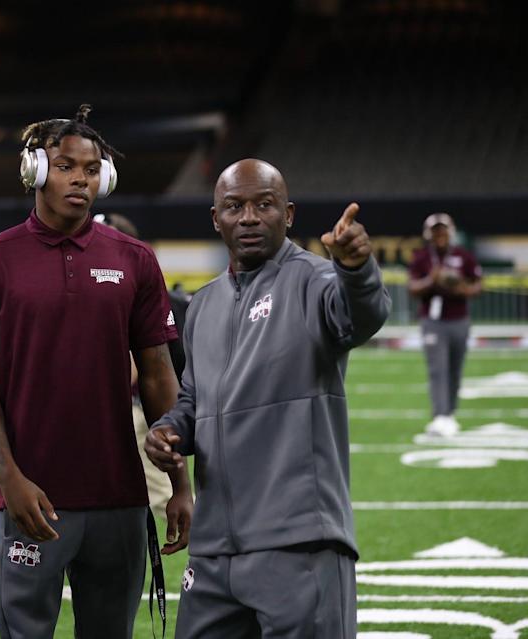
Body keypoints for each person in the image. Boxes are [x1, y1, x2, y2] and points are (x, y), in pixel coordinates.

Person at [0, 105, 193, 639]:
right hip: (29, 496)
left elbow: (158, 376)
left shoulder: (135, 259)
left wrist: (181, 483)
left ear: (104, 178)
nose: (80, 178)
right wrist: (9, 479)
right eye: (65, 166)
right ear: (35, 171)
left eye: (91, 168)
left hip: (120, 496)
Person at [146, 159, 391, 639]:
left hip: (299, 542)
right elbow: (196, 397)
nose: (250, 217)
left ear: (289, 214)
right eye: (234, 207)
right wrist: (170, 428)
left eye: (265, 204)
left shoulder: (316, 281)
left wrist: (356, 269)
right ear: (216, 218)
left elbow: (360, 317)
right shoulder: (203, 305)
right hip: (215, 550)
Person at [94, 211, 174, 519]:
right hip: (112, 409)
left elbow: (144, 365)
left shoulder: (135, 280)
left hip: (131, 406)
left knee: (159, 498)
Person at [408, 213, 482, 437]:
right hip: (433, 321)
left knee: (455, 368)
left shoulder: (463, 256)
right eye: (435, 231)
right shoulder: (421, 258)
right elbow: (412, 288)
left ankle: (449, 414)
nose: (439, 235)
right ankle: (440, 415)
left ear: (450, 232)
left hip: (459, 319)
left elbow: (478, 283)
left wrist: (462, 288)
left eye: (443, 231)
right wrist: (433, 279)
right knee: (437, 368)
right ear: (428, 234)